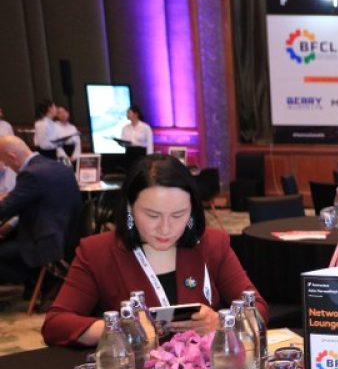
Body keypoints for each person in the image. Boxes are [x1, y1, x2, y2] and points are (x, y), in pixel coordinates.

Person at [42, 154, 268, 347]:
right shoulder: (97, 252)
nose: (165, 228)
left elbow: (258, 308)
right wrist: (118, 329)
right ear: (130, 208)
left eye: (178, 215)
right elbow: (56, 324)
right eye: (152, 215)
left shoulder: (212, 244)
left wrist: (223, 321)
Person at [0, 136, 81, 287]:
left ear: (12, 157)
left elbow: (4, 209)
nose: (7, 166)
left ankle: (36, 283)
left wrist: (6, 200)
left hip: (46, 245)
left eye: (5, 162)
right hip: (67, 237)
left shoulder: (31, 174)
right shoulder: (58, 166)